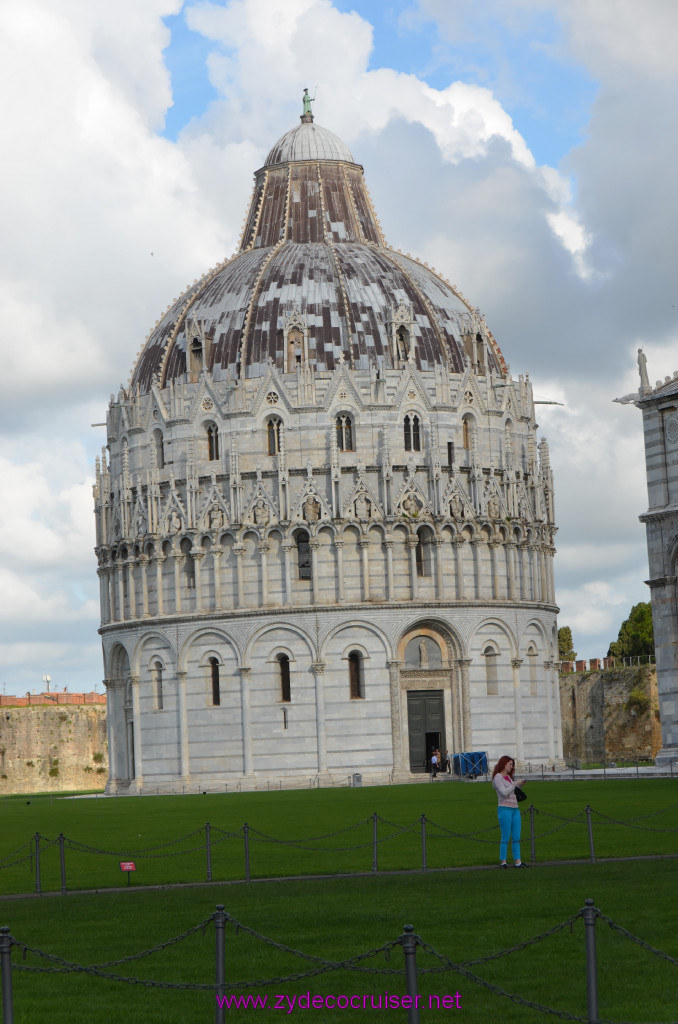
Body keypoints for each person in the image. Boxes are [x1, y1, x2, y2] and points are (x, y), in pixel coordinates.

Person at [491, 755, 527, 868]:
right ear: (503, 764)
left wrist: (519, 786)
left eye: (512, 765)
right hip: (504, 809)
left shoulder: (509, 777)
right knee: (505, 836)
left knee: (516, 836)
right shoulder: (498, 777)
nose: (511, 767)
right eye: (509, 764)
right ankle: (503, 862)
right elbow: (504, 792)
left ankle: (518, 861)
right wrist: (515, 783)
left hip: (515, 809)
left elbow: (512, 792)